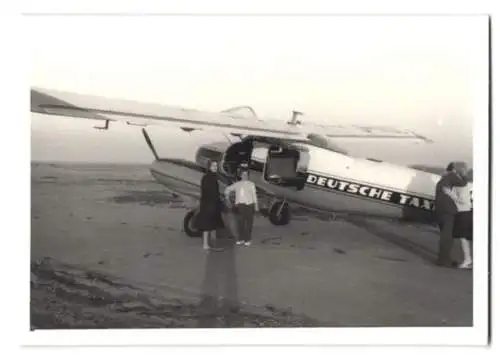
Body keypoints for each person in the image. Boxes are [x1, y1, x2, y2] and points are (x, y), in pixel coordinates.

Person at [434, 161, 469, 267]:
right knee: (447, 237)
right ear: (455, 169)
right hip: (448, 211)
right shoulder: (451, 176)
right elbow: (463, 183)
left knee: (445, 236)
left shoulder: (443, 179)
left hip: (440, 210)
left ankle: (444, 258)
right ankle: (444, 261)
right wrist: (463, 174)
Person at [224, 168, 259, 246]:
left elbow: (254, 196)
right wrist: (227, 197)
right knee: (241, 223)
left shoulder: (251, 184)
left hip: (250, 205)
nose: (245, 176)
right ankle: (241, 239)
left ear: (248, 176)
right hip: (240, 206)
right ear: (240, 175)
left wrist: (256, 205)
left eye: (246, 174)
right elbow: (228, 189)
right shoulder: (237, 184)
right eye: (243, 174)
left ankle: (248, 239)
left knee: (249, 223)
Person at [197, 160, 224, 251]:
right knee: (207, 225)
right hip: (209, 204)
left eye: (216, 166)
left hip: (210, 203)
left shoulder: (210, 177)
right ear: (209, 167)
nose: (215, 167)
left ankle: (210, 242)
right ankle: (206, 245)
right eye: (213, 166)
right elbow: (210, 192)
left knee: (210, 224)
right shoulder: (209, 177)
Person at [450, 174, 473, 269]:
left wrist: (451, 194)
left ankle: (467, 260)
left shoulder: (460, 187)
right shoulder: (470, 185)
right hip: (469, 211)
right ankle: (469, 260)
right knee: (467, 238)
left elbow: (462, 200)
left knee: (463, 238)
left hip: (463, 212)